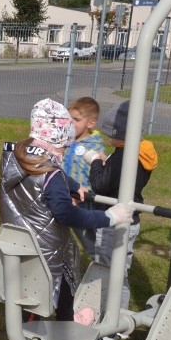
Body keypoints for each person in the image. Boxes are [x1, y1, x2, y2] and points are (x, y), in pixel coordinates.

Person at [0, 98, 132, 340]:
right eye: (63, 147)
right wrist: (108, 218)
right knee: (35, 308)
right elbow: (66, 213)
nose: (64, 151)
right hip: (44, 252)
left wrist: (75, 186)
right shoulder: (52, 175)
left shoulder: (16, 156)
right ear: (57, 140)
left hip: (20, 244)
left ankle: (69, 323)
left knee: (64, 289)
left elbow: (54, 177)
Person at [85, 100, 158, 340]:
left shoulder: (122, 157)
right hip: (132, 221)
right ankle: (117, 322)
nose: (107, 136)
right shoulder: (142, 153)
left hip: (114, 221)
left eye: (110, 133)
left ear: (120, 134)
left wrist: (95, 161)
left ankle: (108, 329)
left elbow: (101, 186)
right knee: (121, 273)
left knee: (108, 271)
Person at [62, 96, 106, 257]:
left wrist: (84, 195)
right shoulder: (66, 140)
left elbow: (99, 176)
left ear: (91, 123)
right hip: (64, 199)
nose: (70, 123)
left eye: (76, 119)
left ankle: (101, 268)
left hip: (84, 205)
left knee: (91, 243)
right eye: (69, 118)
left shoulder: (95, 146)